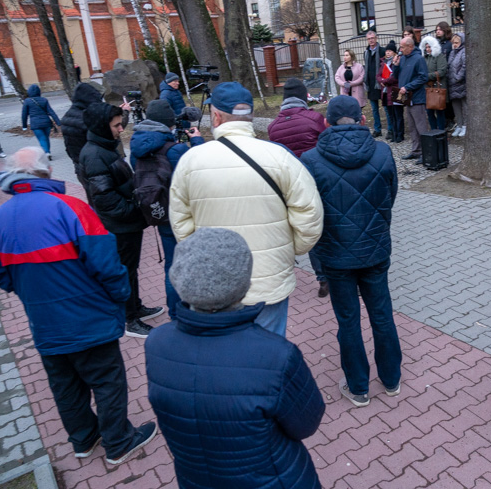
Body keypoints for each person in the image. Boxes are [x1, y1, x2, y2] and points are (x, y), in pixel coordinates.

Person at [0, 147, 157, 466]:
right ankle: (118, 441)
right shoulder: (72, 208)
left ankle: (83, 438)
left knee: (65, 386)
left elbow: (2, 277)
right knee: (108, 381)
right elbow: (108, 265)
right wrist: (121, 297)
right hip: (89, 319)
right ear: (47, 172)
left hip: (44, 323)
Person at [146, 228, 325, 489]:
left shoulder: (156, 343)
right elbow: (306, 423)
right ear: (243, 283)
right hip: (275, 479)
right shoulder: (276, 356)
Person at [169, 82, 324, 336]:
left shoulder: (191, 161)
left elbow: (180, 223)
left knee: (220, 359)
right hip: (270, 279)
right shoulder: (281, 157)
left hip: (214, 280)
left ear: (216, 116)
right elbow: (310, 215)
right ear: (250, 116)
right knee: (269, 355)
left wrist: (202, 254)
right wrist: (288, 249)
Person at [301, 95, 401, 408]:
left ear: (326, 122)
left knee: (348, 320)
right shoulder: (383, 152)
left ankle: (358, 387)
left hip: (334, 254)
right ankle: (391, 379)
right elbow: (391, 194)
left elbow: (310, 211)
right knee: (382, 313)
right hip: (374, 249)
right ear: (361, 120)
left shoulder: (310, 159)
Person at [78, 102, 163, 338]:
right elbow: (105, 200)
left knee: (131, 269)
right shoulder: (95, 155)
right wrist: (134, 209)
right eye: (116, 125)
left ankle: (135, 306)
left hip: (127, 224)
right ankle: (130, 319)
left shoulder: (104, 148)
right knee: (124, 271)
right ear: (102, 126)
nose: (120, 129)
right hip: (120, 226)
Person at [129, 100, 204, 321]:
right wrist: (197, 140)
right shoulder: (177, 149)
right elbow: (200, 169)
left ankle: (176, 313)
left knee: (172, 264)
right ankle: (197, 309)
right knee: (194, 262)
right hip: (184, 214)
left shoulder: (136, 149)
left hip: (159, 212)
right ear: (169, 122)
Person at [267, 79, 329, 298]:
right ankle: (337, 273)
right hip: (318, 180)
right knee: (326, 227)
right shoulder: (315, 119)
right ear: (303, 97)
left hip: (291, 187)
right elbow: (327, 145)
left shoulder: (273, 127)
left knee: (308, 230)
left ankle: (322, 279)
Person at [393, 37, 429, 163]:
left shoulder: (418, 59)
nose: (400, 49)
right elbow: (395, 76)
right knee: (412, 127)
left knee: (421, 127)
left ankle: (426, 153)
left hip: (417, 98)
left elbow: (423, 77)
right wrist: (396, 65)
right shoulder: (402, 58)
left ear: (410, 46)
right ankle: (416, 151)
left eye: (402, 47)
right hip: (407, 98)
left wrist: (408, 87)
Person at [62, 82, 103, 188]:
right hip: (96, 168)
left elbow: (68, 147)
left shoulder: (67, 116)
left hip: (80, 166)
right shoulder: (86, 118)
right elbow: (108, 135)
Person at [21, 84, 62, 160]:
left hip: (35, 124)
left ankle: (46, 152)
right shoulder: (44, 100)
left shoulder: (27, 101)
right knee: (46, 138)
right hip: (46, 123)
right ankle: (48, 152)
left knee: (42, 138)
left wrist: (24, 126)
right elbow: (51, 112)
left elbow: (24, 115)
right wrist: (58, 122)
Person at [378, 41, 404, 143]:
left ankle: (400, 134)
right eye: (387, 51)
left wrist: (385, 81)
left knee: (398, 114)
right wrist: (382, 81)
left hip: (395, 89)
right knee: (391, 114)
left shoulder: (397, 62)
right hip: (385, 91)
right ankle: (393, 133)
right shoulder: (384, 63)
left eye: (390, 51)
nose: (388, 53)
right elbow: (378, 75)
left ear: (394, 52)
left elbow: (395, 77)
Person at [420, 35, 447, 132]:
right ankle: (433, 132)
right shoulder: (424, 58)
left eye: (429, 47)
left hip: (437, 88)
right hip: (427, 88)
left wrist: (427, 76)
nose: (428, 49)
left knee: (440, 111)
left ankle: (441, 132)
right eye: (426, 47)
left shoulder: (439, 56)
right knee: (429, 112)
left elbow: (442, 71)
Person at [363, 31, 386, 138]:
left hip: (381, 83)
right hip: (371, 84)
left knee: (385, 107)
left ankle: (390, 129)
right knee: (374, 109)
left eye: (372, 38)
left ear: (376, 38)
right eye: (369, 39)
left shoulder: (382, 51)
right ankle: (377, 129)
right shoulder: (366, 52)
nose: (371, 40)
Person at [447, 33, 467, 137]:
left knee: (464, 105)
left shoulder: (463, 52)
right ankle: (459, 125)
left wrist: (458, 77)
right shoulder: (452, 53)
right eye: (453, 43)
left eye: (456, 42)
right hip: (452, 84)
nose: (454, 45)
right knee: (456, 107)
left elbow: (464, 65)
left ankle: (465, 126)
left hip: (460, 83)